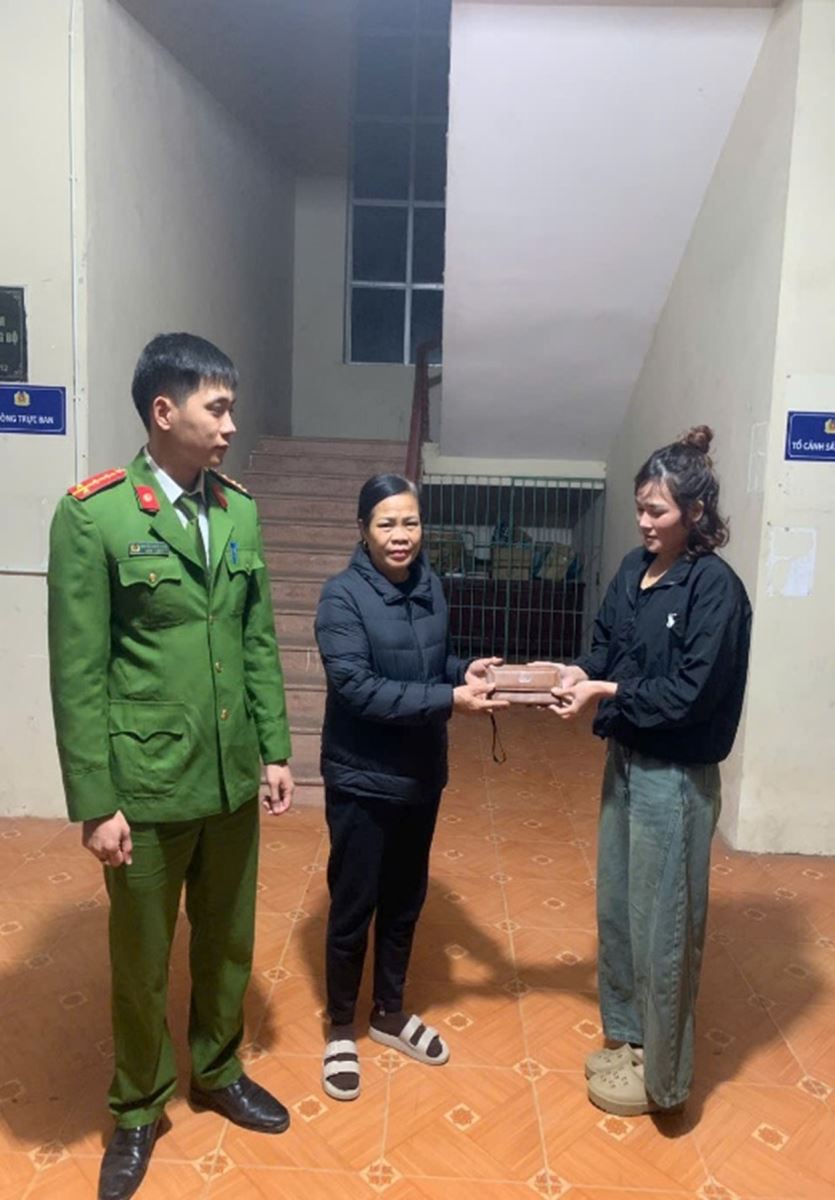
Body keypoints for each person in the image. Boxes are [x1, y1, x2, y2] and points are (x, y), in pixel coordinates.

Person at [47, 333, 295, 1200]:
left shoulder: (239, 512)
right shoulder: (97, 515)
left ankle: (217, 1071)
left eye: (230, 408)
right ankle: (138, 1106)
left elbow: (256, 638)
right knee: (142, 960)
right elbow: (78, 672)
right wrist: (95, 801)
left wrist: (273, 748)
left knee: (227, 943)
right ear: (164, 411)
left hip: (228, 777)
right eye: (215, 408)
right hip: (145, 785)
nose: (230, 425)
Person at [550, 426, 751, 1117]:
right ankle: (630, 1040)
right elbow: (604, 647)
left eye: (656, 510)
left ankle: (663, 1081)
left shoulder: (714, 588)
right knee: (620, 913)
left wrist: (603, 691)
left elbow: (689, 694)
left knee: (665, 928)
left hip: (676, 779)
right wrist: (572, 673)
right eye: (640, 507)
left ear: (695, 512)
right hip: (627, 763)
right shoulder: (634, 572)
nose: (643, 521)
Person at [313, 473, 508, 1101]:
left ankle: (389, 1013)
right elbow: (359, 688)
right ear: (363, 530)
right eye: (387, 524)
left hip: (421, 775)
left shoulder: (430, 584)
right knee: (354, 906)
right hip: (362, 780)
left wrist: (463, 669)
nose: (401, 536)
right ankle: (340, 1028)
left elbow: (428, 662)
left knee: (404, 901)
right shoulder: (341, 598)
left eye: (411, 522)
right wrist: (450, 699)